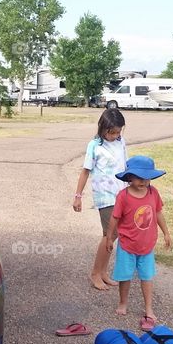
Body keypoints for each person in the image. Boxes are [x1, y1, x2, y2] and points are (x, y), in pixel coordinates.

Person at [105, 155, 172, 331]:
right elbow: (114, 217)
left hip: (147, 245)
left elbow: (158, 213)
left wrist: (166, 232)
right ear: (129, 177)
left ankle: (149, 308)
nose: (143, 181)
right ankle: (123, 302)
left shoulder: (153, 192)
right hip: (127, 244)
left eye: (147, 177)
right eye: (139, 177)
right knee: (125, 276)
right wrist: (110, 237)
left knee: (147, 277)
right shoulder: (123, 196)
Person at [73, 108, 128, 290]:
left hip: (122, 193)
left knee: (116, 234)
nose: (115, 135)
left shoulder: (121, 142)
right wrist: (78, 196)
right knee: (109, 235)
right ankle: (95, 273)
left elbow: (125, 167)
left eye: (118, 131)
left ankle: (103, 271)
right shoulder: (95, 145)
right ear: (102, 128)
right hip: (105, 195)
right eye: (111, 132)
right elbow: (85, 171)